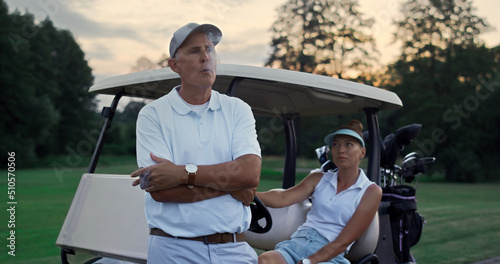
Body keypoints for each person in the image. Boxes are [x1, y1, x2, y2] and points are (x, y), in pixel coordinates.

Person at [130, 22, 262, 264]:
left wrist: (182, 173)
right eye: (194, 51)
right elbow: (161, 191)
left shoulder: (238, 109)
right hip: (174, 249)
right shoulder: (153, 114)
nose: (205, 58)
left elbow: (250, 175)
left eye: (209, 49)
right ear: (174, 65)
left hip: (234, 249)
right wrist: (233, 187)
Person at [257, 120, 382, 264]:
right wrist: (250, 194)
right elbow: (283, 197)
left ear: (362, 152)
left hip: (329, 256)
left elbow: (343, 242)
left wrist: (309, 261)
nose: (341, 150)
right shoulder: (318, 178)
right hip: (296, 245)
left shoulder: (371, 191)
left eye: (348, 144)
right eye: (336, 144)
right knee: (265, 260)